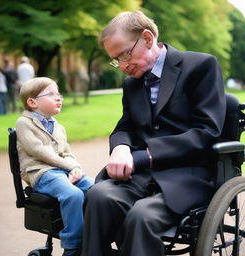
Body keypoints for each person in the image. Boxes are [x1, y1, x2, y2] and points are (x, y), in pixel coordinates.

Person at [81, 10, 226, 256]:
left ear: (147, 39)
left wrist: (144, 156)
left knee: (142, 216)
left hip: (188, 176)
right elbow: (125, 126)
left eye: (125, 54)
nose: (123, 66)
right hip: (142, 177)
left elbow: (207, 131)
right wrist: (121, 147)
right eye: (116, 60)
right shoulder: (132, 84)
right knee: (98, 196)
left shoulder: (200, 66)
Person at [16, 77, 93, 256]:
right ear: (32, 102)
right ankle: (73, 245)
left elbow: (67, 153)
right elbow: (39, 151)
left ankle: (98, 235)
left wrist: (75, 168)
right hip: (41, 173)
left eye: (59, 94)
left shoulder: (59, 127)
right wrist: (67, 166)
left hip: (61, 170)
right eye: (51, 94)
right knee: (73, 194)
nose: (59, 98)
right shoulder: (24, 123)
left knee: (95, 189)